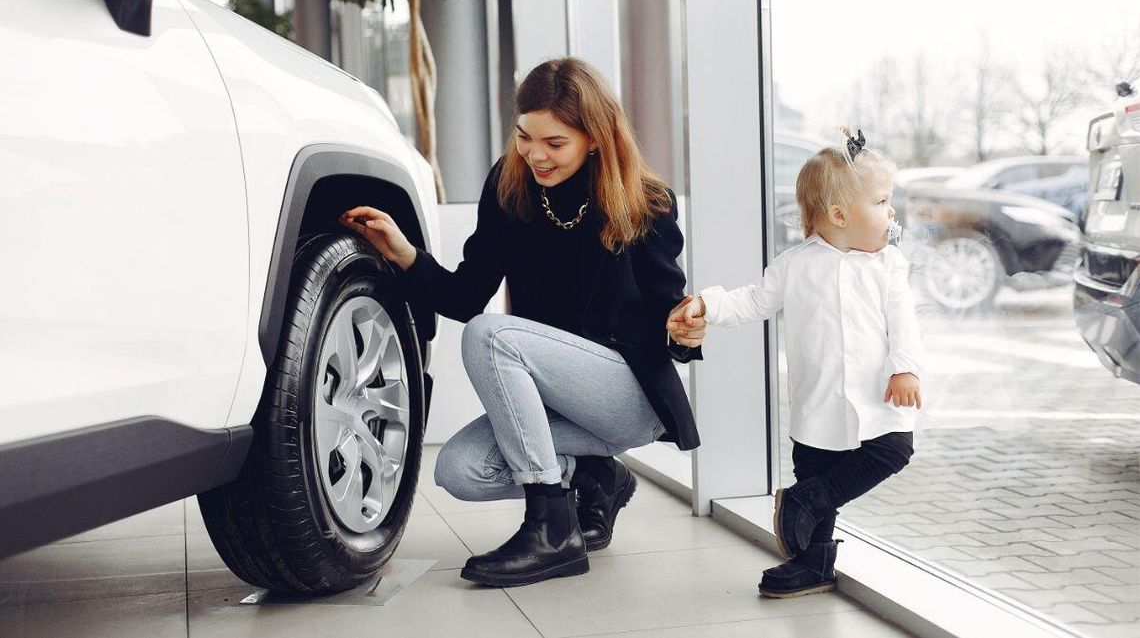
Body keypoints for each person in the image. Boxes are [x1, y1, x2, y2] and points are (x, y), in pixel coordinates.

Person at [340, 57, 701, 587]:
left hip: (626, 394)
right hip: (556, 397)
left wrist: (685, 329)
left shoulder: (644, 202)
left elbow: (670, 308)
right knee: (458, 470)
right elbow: (466, 296)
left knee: (492, 335)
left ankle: (552, 529)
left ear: (595, 139)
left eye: (555, 143)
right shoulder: (510, 188)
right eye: (525, 136)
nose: (535, 154)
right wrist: (405, 255)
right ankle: (596, 477)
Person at [667, 129, 923, 598]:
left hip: (876, 395)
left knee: (893, 450)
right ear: (840, 214)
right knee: (816, 467)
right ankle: (814, 563)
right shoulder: (795, 264)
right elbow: (751, 301)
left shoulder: (889, 265)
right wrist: (705, 303)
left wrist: (905, 368)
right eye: (883, 201)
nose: (892, 212)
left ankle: (806, 502)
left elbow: (904, 321)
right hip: (817, 400)